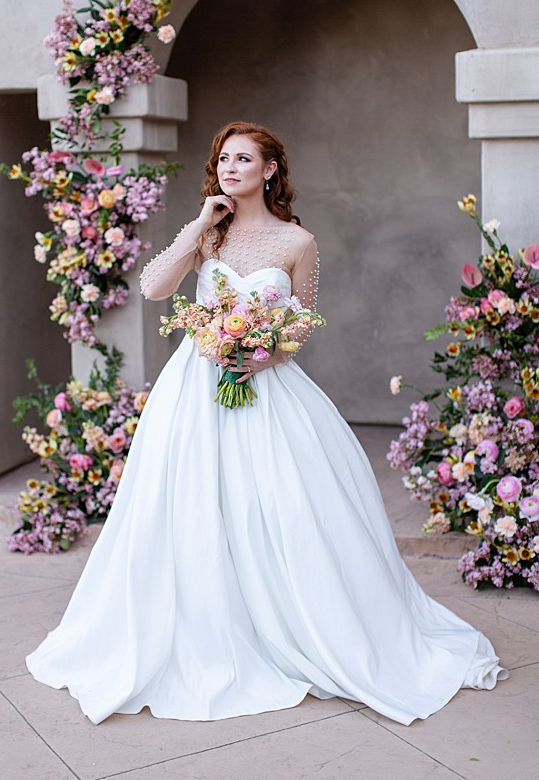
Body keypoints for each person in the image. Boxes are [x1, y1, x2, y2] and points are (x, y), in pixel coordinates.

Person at [25, 120, 510, 726]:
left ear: (270, 169)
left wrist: (258, 353)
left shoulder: (296, 242)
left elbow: (301, 325)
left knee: (278, 508)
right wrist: (201, 225)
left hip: (265, 387)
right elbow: (152, 287)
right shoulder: (210, 233)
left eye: (243, 159)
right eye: (222, 159)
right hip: (193, 389)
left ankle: (299, 625)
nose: (229, 168)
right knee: (190, 505)